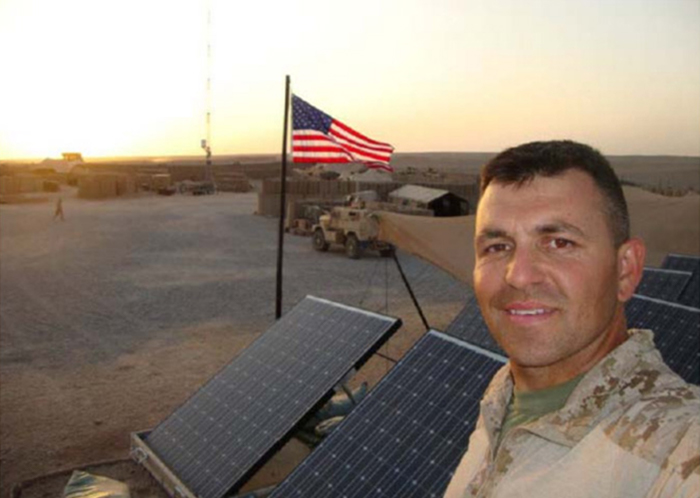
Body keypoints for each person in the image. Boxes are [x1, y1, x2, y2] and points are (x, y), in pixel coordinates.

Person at [444, 140, 699, 498]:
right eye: (497, 247)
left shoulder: (678, 449)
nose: (518, 275)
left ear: (626, 270)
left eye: (559, 243)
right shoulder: (502, 397)